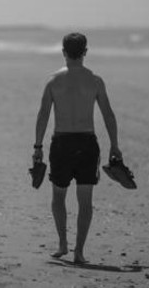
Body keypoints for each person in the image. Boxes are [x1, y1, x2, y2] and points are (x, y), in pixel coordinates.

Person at [33, 32, 124, 264]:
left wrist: (38, 146)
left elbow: (43, 115)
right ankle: (79, 251)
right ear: (85, 52)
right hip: (87, 144)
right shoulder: (95, 81)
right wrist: (114, 145)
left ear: (63, 52)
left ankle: (62, 243)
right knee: (85, 201)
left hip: (61, 143)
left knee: (58, 197)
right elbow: (108, 115)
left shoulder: (53, 81)